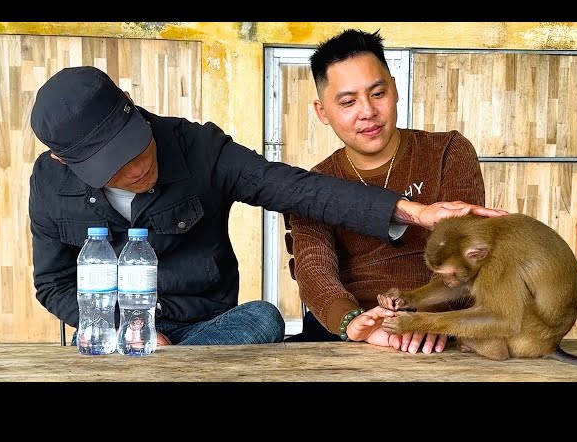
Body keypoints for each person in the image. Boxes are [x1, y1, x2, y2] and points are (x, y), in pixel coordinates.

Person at [29, 65, 504, 348]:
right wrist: (124, 330)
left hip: (204, 330)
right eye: (113, 166)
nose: (134, 170)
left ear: (133, 108)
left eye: (138, 149)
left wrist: (414, 212)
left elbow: (297, 189)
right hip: (116, 330)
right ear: (65, 160)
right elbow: (52, 285)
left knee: (264, 318)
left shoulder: (197, 148)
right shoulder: (49, 185)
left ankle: (176, 371)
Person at [286, 28, 506, 353]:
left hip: (439, 325)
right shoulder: (315, 184)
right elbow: (313, 265)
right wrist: (351, 322)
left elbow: (466, 250)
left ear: (395, 89)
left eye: (378, 93)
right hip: (357, 329)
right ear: (322, 112)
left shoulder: (447, 151)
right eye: (348, 102)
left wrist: (430, 320)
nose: (368, 112)